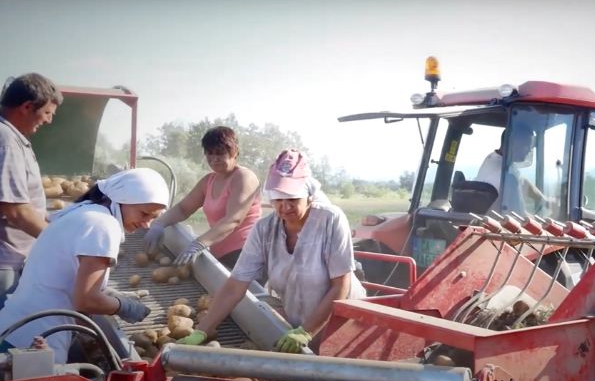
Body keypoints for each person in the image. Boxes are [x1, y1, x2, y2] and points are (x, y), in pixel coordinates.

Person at [177, 149, 365, 353]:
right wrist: (201, 331)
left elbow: (340, 286)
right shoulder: (265, 229)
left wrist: (306, 331)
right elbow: (235, 286)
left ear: (309, 196)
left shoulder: (330, 220)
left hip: (346, 322)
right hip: (299, 319)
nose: (285, 207)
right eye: (278, 199)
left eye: (293, 199)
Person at [0, 168, 169, 362]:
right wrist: (125, 307)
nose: (147, 224)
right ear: (122, 199)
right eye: (144, 214)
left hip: (15, 327)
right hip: (34, 340)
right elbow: (86, 300)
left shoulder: (85, 211)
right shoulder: (103, 225)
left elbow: (66, 278)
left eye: (153, 218)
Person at [143, 126, 261, 269]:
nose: (214, 159)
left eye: (220, 153)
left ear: (235, 151)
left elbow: (233, 220)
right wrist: (159, 224)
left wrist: (199, 243)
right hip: (220, 255)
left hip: (246, 254)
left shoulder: (243, 177)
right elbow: (183, 209)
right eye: (210, 153)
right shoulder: (209, 181)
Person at [0, 73, 63, 304]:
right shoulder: (6, 141)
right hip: (5, 261)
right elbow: (16, 210)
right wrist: (61, 242)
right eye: (47, 113)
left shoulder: (12, 138)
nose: (49, 120)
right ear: (27, 107)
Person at [474, 125, 551, 214]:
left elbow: (522, 180)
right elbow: (521, 216)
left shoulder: (496, 159)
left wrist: (544, 200)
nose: (530, 150)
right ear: (512, 143)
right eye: (527, 145)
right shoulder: (508, 179)